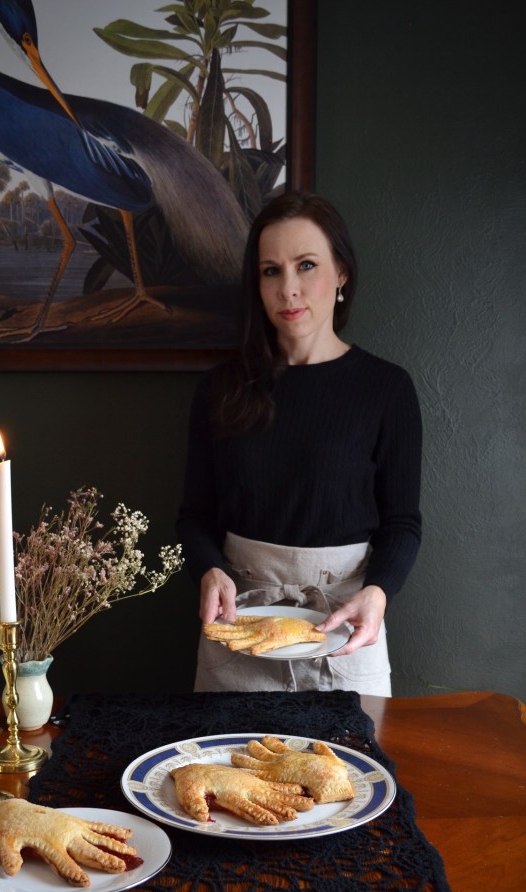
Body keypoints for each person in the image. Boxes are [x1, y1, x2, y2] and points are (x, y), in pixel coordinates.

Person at [176, 190, 422, 695]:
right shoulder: (220, 389)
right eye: (271, 271)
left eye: (306, 265)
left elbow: (402, 522)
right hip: (238, 625)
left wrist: (379, 593)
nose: (288, 289)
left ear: (342, 275)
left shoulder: (387, 389)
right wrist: (209, 571)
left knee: (351, 776)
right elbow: (194, 515)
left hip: (345, 627)